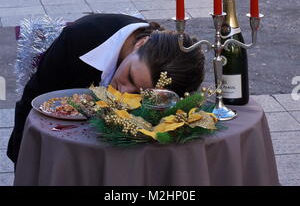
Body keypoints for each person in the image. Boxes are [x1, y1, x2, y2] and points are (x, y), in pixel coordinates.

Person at [7, 13, 205, 164]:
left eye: (140, 94)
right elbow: (33, 101)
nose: (125, 92)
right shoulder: (80, 38)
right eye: (129, 76)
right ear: (141, 43)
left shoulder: (174, 76)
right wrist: (24, 164)